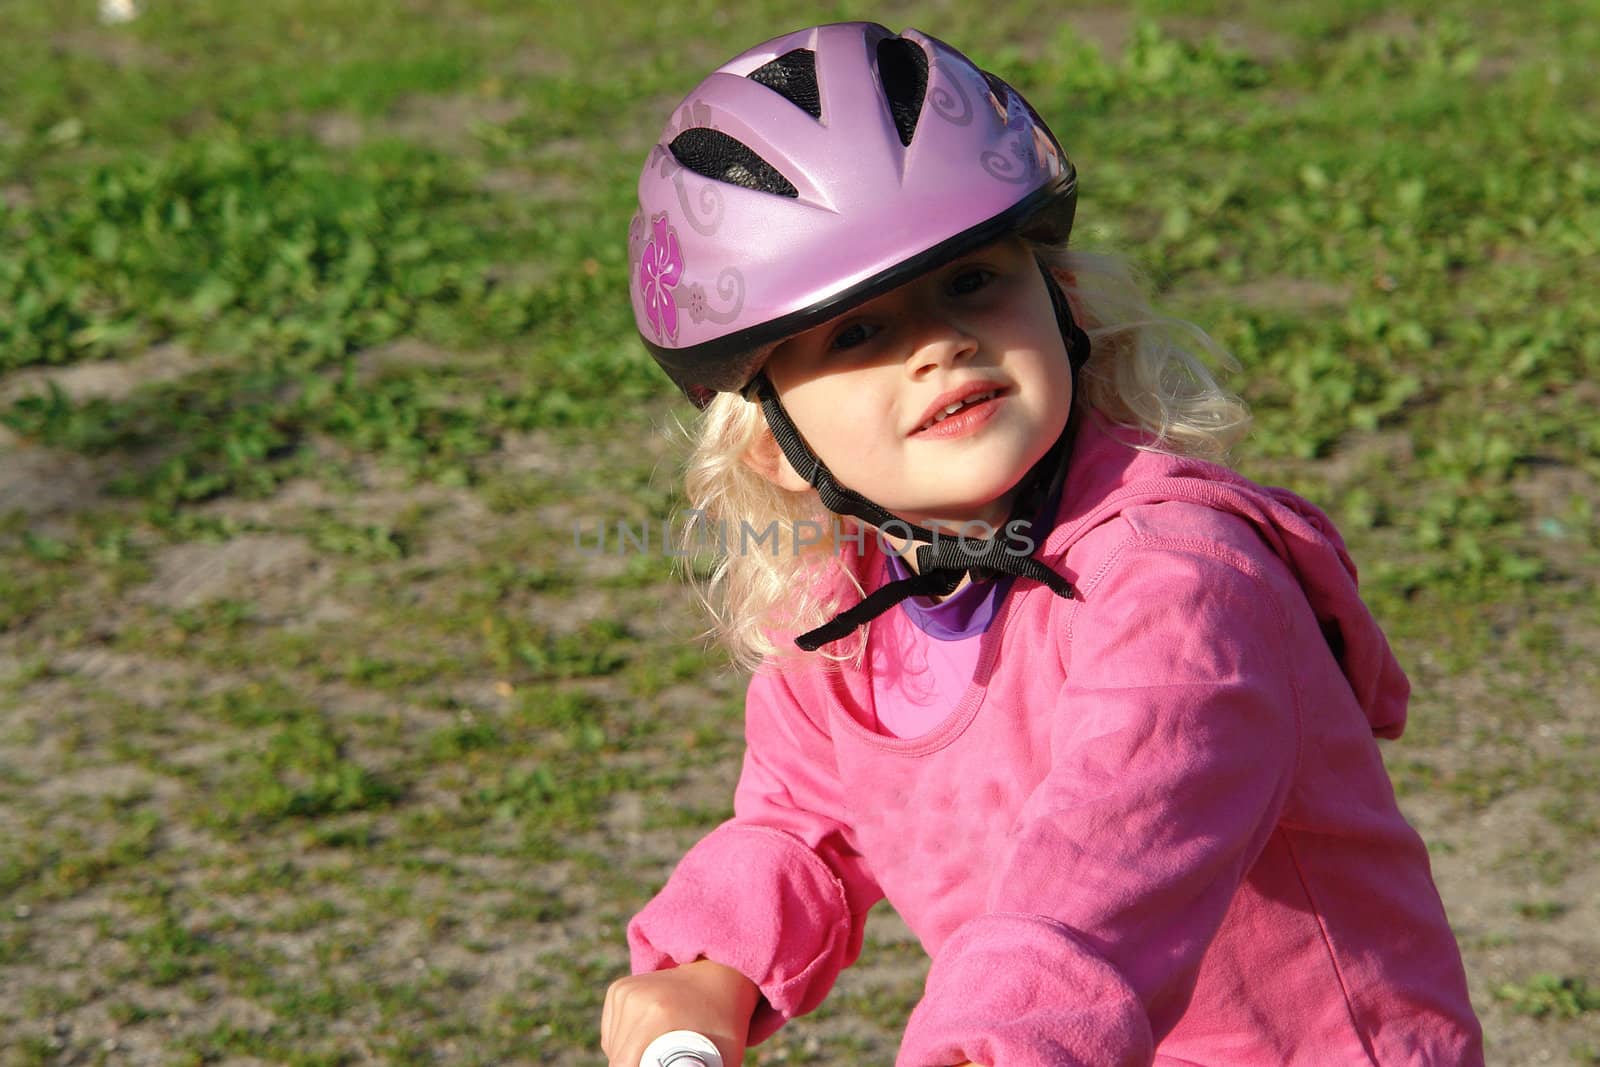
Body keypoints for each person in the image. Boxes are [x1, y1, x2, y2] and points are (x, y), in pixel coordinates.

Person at [600, 21, 1483, 1067]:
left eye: (970, 280)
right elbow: (805, 825)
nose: (940, 342)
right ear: (774, 440)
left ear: (1060, 302)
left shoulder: (1179, 583)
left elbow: (1111, 856)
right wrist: (713, 966)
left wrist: (995, 1038)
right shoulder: (847, 609)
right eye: (857, 332)